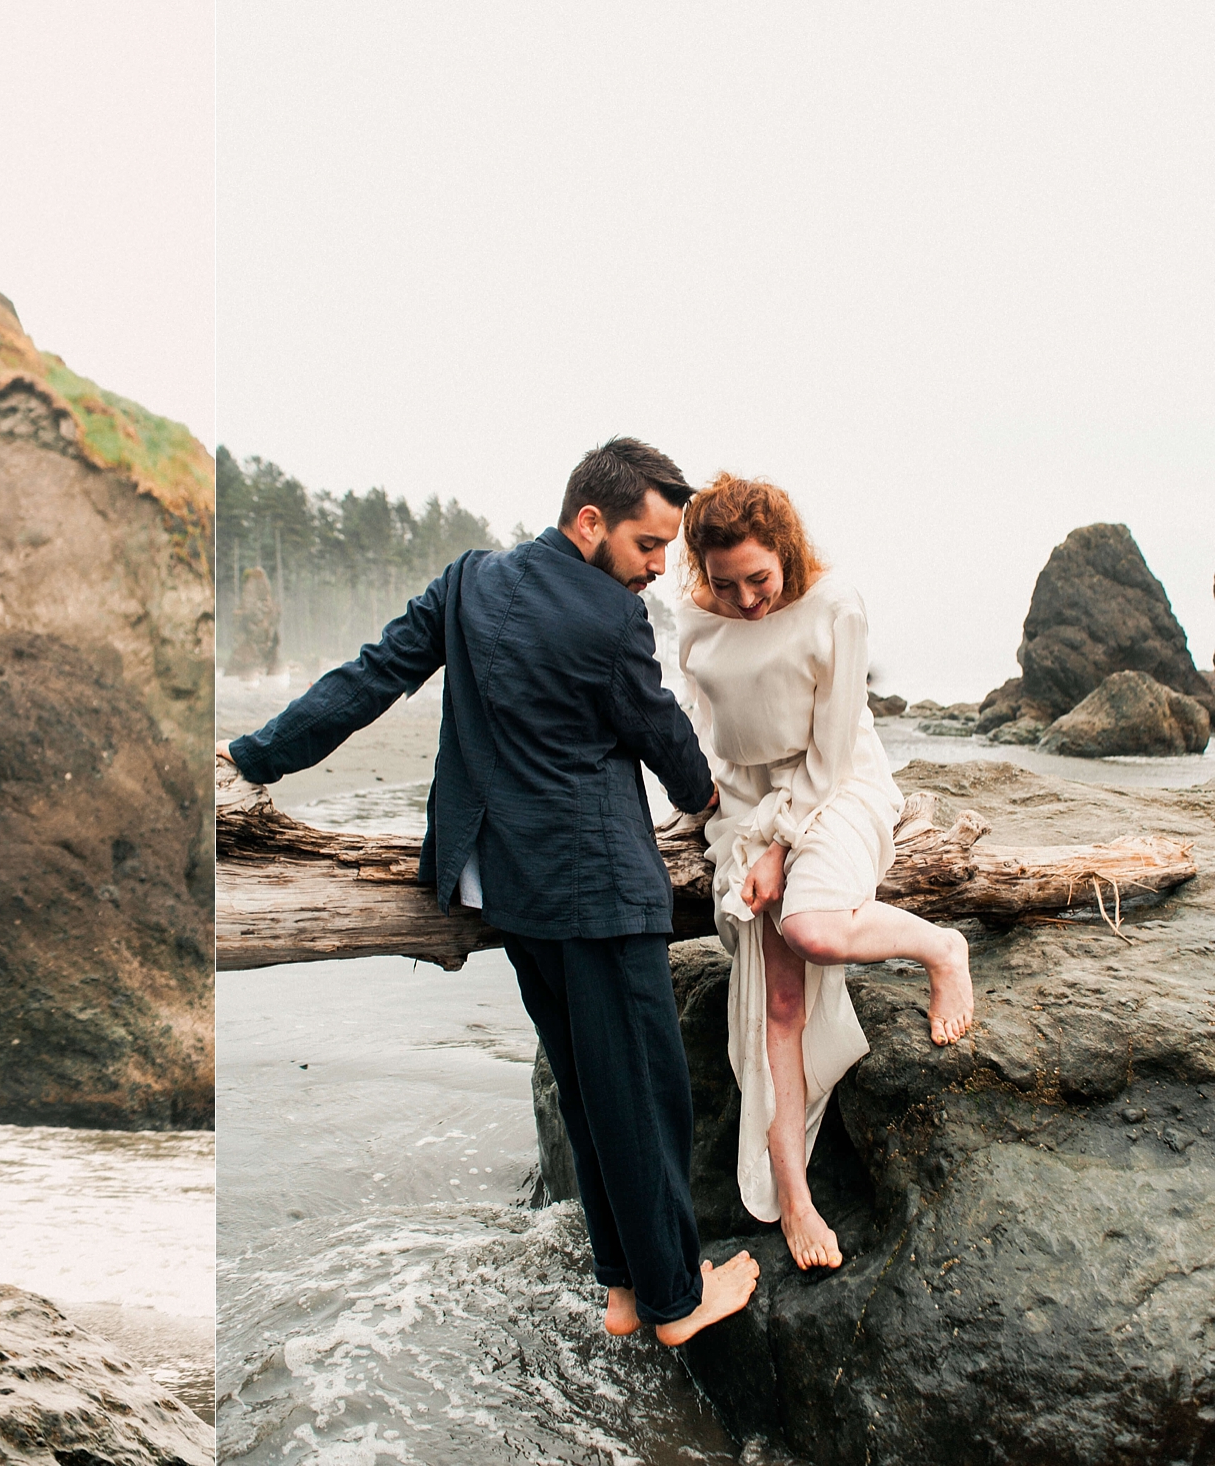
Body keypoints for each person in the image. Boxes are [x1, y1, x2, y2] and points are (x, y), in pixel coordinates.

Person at [222, 438, 759, 1345]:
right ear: (590, 522)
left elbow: (370, 678)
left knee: (590, 1095)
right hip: (601, 891)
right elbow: (659, 729)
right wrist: (714, 799)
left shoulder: (470, 581)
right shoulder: (610, 620)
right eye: (646, 545)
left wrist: (253, 755)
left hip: (508, 891)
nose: (657, 569)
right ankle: (675, 1300)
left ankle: (625, 1287)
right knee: (643, 1091)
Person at [676, 474, 974, 1273]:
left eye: (760, 579)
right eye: (725, 582)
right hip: (747, 807)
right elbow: (709, 733)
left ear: (788, 553)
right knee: (778, 1000)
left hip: (835, 786)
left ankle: (943, 947)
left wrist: (780, 842)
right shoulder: (693, 620)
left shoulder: (835, 604)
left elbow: (834, 747)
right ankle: (794, 1193)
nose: (745, 600)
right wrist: (726, 826)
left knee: (809, 927)